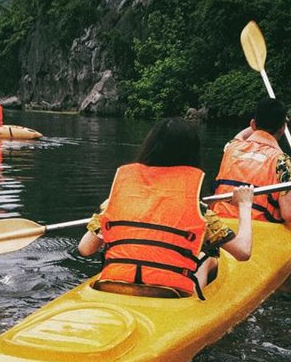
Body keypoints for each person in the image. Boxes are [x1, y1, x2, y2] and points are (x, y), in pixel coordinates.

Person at [78, 117, 254, 300]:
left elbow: (85, 248)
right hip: (168, 296)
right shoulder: (198, 210)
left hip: (113, 287)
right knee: (209, 255)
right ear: (192, 155)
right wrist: (244, 205)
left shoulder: (115, 200)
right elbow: (242, 252)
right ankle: (199, 301)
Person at [211, 97, 291, 222]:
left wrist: (261, 122)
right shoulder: (281, 161)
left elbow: (241, 135)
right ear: (282, 128)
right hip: (256, 226)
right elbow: (289, 213)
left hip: (219, 220)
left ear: (253, 124)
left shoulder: (231, 147)